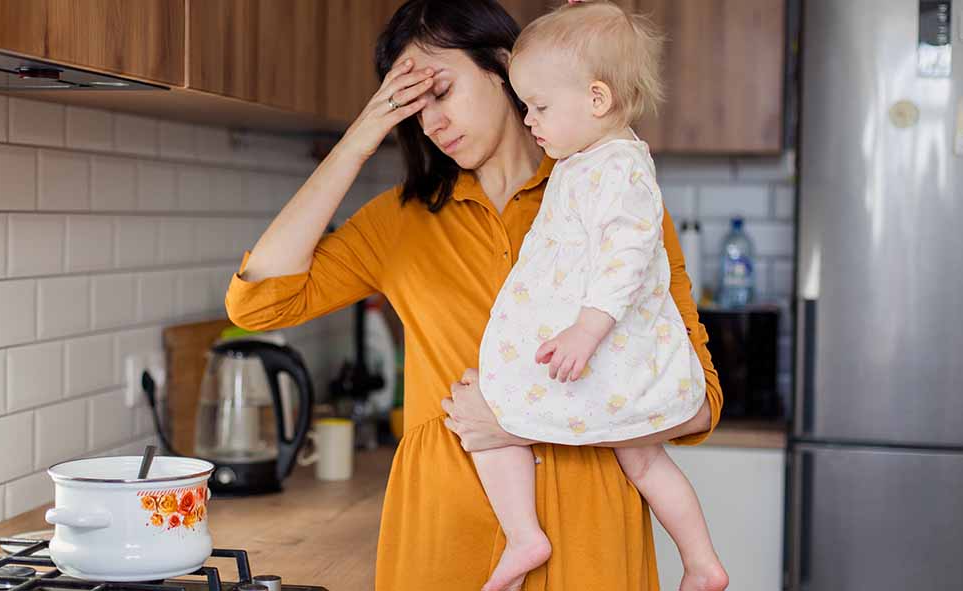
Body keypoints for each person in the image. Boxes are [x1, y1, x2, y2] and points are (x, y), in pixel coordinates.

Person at [225, 1, 724, 589]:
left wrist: (523, 421)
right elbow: (259, 305)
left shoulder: (618, 204)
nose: (430, 121)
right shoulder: (399, 224)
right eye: (411, 106)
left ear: (504, 67)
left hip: (594, 542)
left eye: (441, 89)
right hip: (443, 539)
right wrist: (360, 137)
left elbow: (697, 403)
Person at [469, 3, 727, 590]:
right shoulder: (582, 160)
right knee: (634, 456)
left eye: (539, 106)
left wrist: (586, 329)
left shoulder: (621, 167)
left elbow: (628, 255)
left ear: (596, 100)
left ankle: (696, 560)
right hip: (588, 346)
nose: (528, 119)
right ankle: (695, 562)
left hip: (603, 346)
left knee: (489, 409)